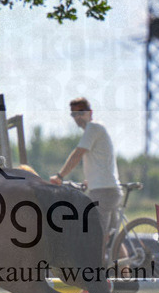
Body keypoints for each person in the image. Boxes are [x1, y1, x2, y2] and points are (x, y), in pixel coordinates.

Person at [49, 97, 121, 259]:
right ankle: (126, 274)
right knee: (113, 238)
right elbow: (100, 161)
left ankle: (95, 278)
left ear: (90, 112)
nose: (77, 117)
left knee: (96, 235)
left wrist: (60, 176)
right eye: (74, 114)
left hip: (103, 192)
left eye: (81, 112)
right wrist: (91, 181)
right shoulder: (98, 130)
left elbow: (78, 154)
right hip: (108, 189)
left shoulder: (93, 128)